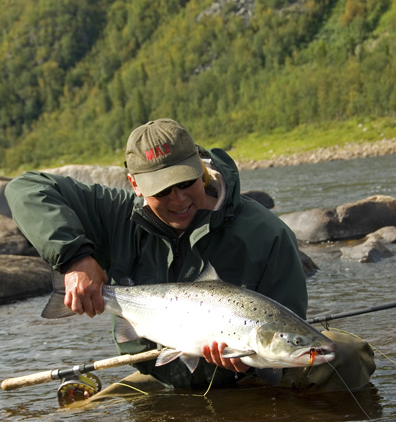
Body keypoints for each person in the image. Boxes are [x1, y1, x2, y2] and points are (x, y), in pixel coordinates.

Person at [5, 119, 375, 391]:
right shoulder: (115, 214)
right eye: (163, 191)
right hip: (161, 376)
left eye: (186, 183)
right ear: (134, 184)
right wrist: (74, 258)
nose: (179, 200)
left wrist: (245, 367)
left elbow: (286, 325)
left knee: (346, 354)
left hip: (249, 378)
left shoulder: (265, 232)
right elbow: (26, 188)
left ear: (200, 164)